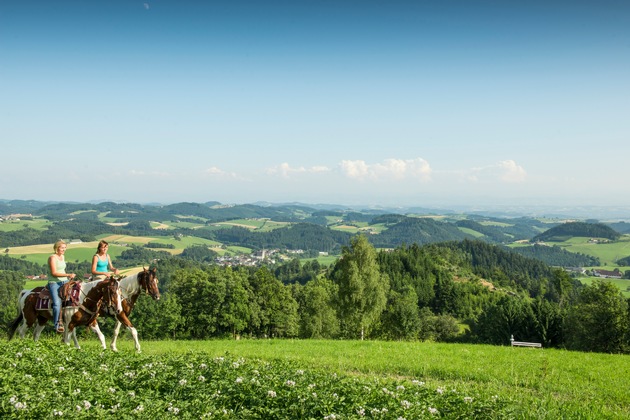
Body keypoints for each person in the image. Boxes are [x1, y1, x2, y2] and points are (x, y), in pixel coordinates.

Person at [48, 240, 76, 333]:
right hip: (54, 282)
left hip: (65, 281)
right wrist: (68, 275)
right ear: (57, 248)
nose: (64, 249)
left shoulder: (62, 257)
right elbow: (54, 273)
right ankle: (57, 324)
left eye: (65, 248)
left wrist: (68, 278)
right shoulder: (52, 258)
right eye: (62, 247)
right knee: (56, 303)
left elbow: (62, 270)